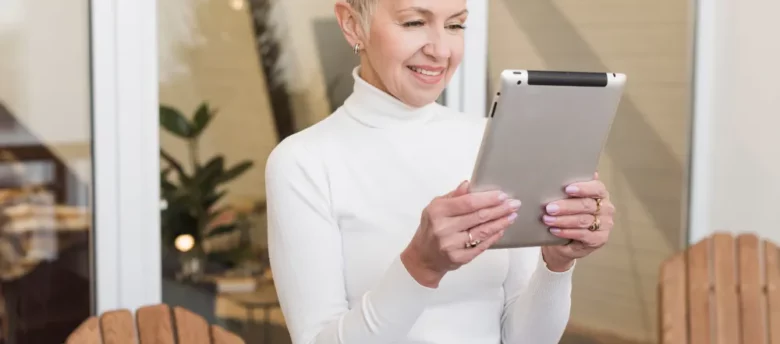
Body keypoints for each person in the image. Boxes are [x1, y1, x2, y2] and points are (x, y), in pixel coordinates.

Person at [264, 0, 615, 343]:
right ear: (352, 23)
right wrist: (421, 265)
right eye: (414, 22)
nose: (440, 50)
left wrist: (555, 265)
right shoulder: (302, 163)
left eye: (454, 25)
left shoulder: (488, 140)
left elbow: (525, 339)